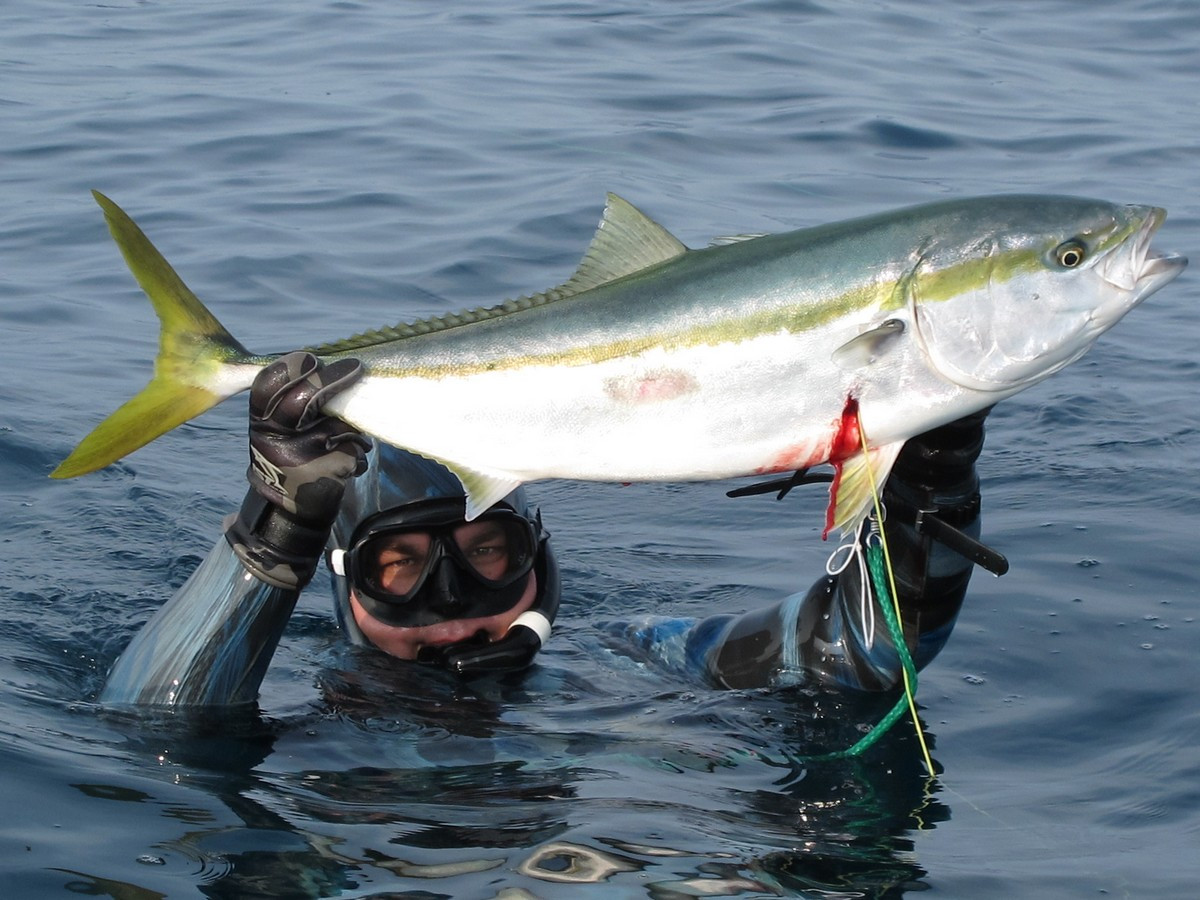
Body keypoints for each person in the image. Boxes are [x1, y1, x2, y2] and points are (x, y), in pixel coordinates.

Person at [101, 351, 992, 707]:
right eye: (399, 571)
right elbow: (158, 741)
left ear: (541, 563)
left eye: (490, 553)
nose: (452, 607)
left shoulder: (635, 663)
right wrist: (271, 535)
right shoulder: (293, 720)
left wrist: (932, 482)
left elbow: (856, 654)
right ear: (339, 583)